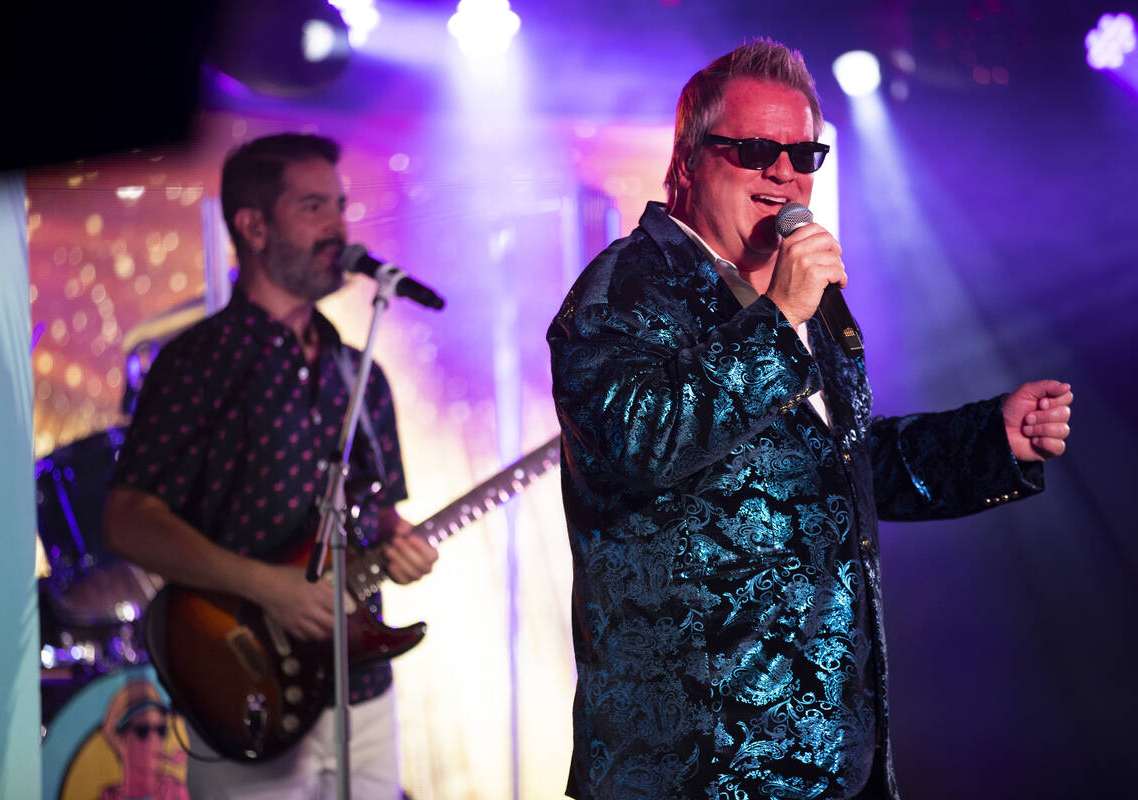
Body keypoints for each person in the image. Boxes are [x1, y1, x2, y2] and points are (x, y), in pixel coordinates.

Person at [547, 40, 1072, 800]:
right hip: (696, 766)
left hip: (832, 752)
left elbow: (837, 468)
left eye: (803, 153)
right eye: (756, 150)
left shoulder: (799, 298)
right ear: (688, 161)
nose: (785, 173)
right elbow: (642, 442)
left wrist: (990, 438)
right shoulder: (626, 287)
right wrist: (779, 316)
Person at [105, 133, 438, 800]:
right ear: (253, 226)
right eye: (313, 207)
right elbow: (128, 521)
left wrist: (400, 547)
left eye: (340, 206)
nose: (338, 227)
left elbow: (376, 513)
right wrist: (267, 585)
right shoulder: (198, 361)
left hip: (361, 688)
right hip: (242, 676)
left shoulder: (358, 370)